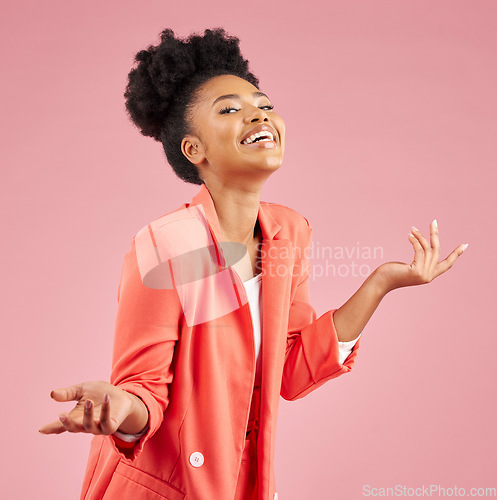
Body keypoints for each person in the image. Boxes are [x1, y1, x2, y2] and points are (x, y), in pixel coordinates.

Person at [38, 28, 468, 500]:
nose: (258, 114)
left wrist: (382, 282)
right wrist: (120, 406)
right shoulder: (168, 245)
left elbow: (291, 370)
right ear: (194, 150)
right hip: (165, 488)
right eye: (229, 109)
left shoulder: (289, 232)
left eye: (263, 104)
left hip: (243, 484)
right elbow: (145, 392)